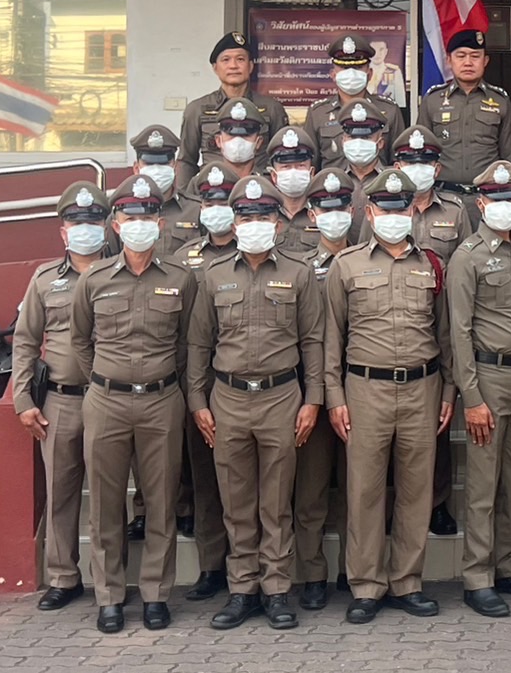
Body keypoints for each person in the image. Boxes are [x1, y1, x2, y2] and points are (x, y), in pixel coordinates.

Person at [187, 177, 324, 631]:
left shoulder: (299, 273)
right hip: (227, 399)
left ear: (278, 223)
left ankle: (277, 588)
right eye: (246, 217)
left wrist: (313, 400)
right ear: (234, 222)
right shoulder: (213, 275)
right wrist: (198, 401)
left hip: (281, 397)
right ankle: (242, 589)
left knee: (277, 502)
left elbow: (313, 341)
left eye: (263, 216)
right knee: (236, 501)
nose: (254, 224)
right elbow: (198, 343)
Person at [324, 168, 455, 626]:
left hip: (423, 388)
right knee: (364, 491)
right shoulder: (346, 265)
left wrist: (449, 390)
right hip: (366, 389)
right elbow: (331, 339)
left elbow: (444, 334)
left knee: (416, 490)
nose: (394, 216)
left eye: (402, 208)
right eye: (386, 209)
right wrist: (335, 397)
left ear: (411, 212)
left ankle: (407, 581)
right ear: (371, 212)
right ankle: (365, 585)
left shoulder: (431, 264)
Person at [69, 175, 197, 634]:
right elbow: (80, 341)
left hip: (162, 401)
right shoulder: (94, 279)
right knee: (106, 505)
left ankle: (156, 595)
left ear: (160, 224)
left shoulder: (181, 278)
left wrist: (162, 381)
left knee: (161, 502)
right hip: (107, 401)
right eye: (129, 217)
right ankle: (109, 596)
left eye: (147, 216)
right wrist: (105, 380)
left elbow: (187, 344)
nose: (138, 224)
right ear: (116, 224)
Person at [448, 161, 511, 617]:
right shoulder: (467, 256)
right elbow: (458, 332)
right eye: (497, 198)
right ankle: (477, 576)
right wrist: (471, 398)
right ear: (481, 202)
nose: (505, 206)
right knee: (483, 485)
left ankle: (505, 564)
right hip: (487, 379)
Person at [11, 181, 111, 612]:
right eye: (75, 222)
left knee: (106, 496)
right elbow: (25, 340)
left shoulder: (123, 272)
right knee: (62, 492)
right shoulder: (44, 279)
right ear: (63, 231)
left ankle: (109, 582)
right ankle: (63, 577)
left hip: (110, 399)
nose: (84, 228)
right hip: (61, 400)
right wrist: (23, 399)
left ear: (106, 226)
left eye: (92, 221)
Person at [373, 125, 469, 536]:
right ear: (397, 165)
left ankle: (438, 501)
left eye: (426, 161)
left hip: (441, 321)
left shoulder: (455, 211)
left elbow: (464, 264)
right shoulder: (382, 209)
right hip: (392, 319)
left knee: (437, 428)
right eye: (410, 161)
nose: (419, 167)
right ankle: (395, 503)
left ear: (437, 167)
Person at [294, 166, 359, 609]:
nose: (333, 215)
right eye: (324, 207)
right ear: (313, 214)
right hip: (313, 391)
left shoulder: (367, 259)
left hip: (361, 387)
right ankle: (313, 573)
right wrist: (313, 396)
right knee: (312, 490)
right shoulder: (300, 269)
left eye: (340, 207)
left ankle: (353, 570)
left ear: (351, 211)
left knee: (359, 489)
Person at [173, 164, 237, 604]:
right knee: (206, 479)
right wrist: (193, 393)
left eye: (224, 201)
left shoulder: (263, 252)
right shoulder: (183, 260)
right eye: (210, 201)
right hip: (200, 379)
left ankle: (255, 566)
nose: (217, 208)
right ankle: (213, 566)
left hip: (249, 378)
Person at [419, 29, 511, 203]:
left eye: (475, 56)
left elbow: (510, 156)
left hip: (489, 197)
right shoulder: (433, 100)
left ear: (485, 61)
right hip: (443, 197)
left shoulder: (500, 101)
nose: (468, 62)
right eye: (461, 56)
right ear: (449, 60)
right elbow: (421, 153)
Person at [180, 31, 288, 172]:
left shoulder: (272, 108)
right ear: (215, 68)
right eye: (226, 60)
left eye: (240, 59)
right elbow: (186, 161)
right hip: (213, 184)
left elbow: (283, 157)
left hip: (258, 184)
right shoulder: (197, 109)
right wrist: (188, 187)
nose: (233, 66)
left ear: (250, 66)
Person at [307, 35, 406, 170]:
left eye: (358, 67)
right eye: (345, 68)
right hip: (333, 183)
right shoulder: (318, 113)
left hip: (376, 183)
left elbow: (399, 162)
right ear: (333, 75)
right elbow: (310, 165)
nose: (351, 73)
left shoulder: (389, 110)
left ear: (369, 74)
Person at [130, 124, 200, 249]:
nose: (157, 169)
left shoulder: (195, 210)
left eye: (164, 163)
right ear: (136, 168)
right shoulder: (123, 211)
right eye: (149, 163)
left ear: (175, 167)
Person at [263, 126, 321, 255]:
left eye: (300, 166)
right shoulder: (264, 214)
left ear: (311, 173)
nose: (293, 172)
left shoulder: (322, 212)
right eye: (286, 167)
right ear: (274, 175)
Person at [367, 38, 406, 105]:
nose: (377, 54)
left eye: (381, 50)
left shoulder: (394, 71)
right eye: (373, 50)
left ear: (386, 51)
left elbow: (400, 101)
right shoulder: (362, 72)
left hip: (388, 110)